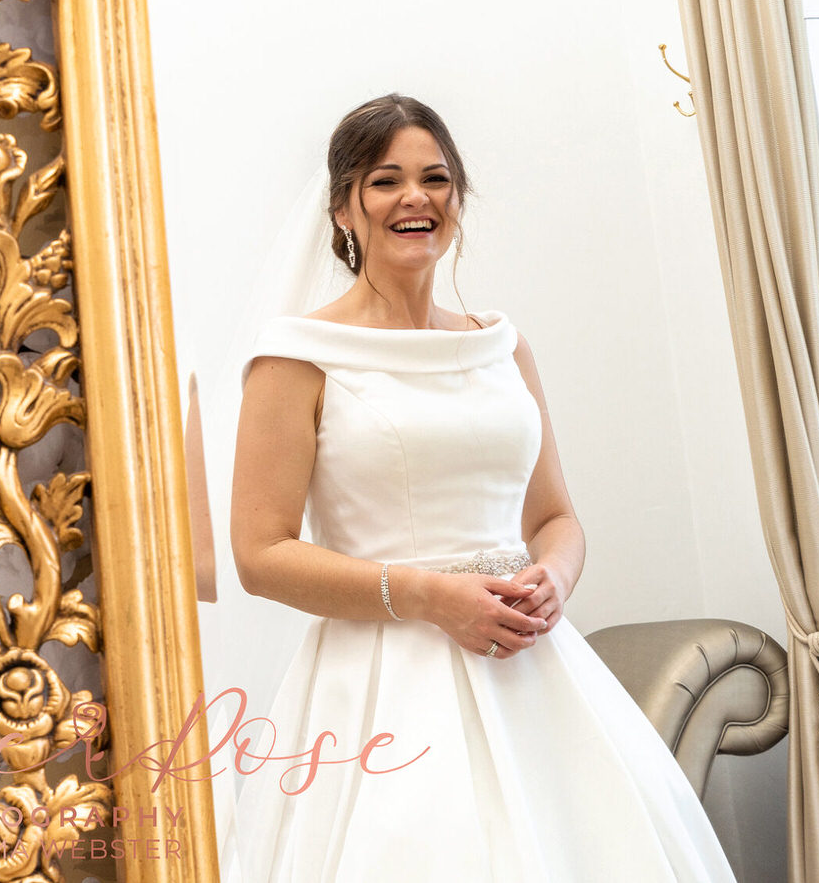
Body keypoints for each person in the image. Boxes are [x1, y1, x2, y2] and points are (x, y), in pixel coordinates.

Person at [213, 94, 740, 881]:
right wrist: (431, 597)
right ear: (343, 209)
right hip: (382, 685)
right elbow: (260, 555)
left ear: (459, 199)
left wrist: (554, 578)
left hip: (531, 666)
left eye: (436, 178)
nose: (415, 197)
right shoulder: (298, 357)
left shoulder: (502, 346)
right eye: (386, 180)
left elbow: (556, 517)